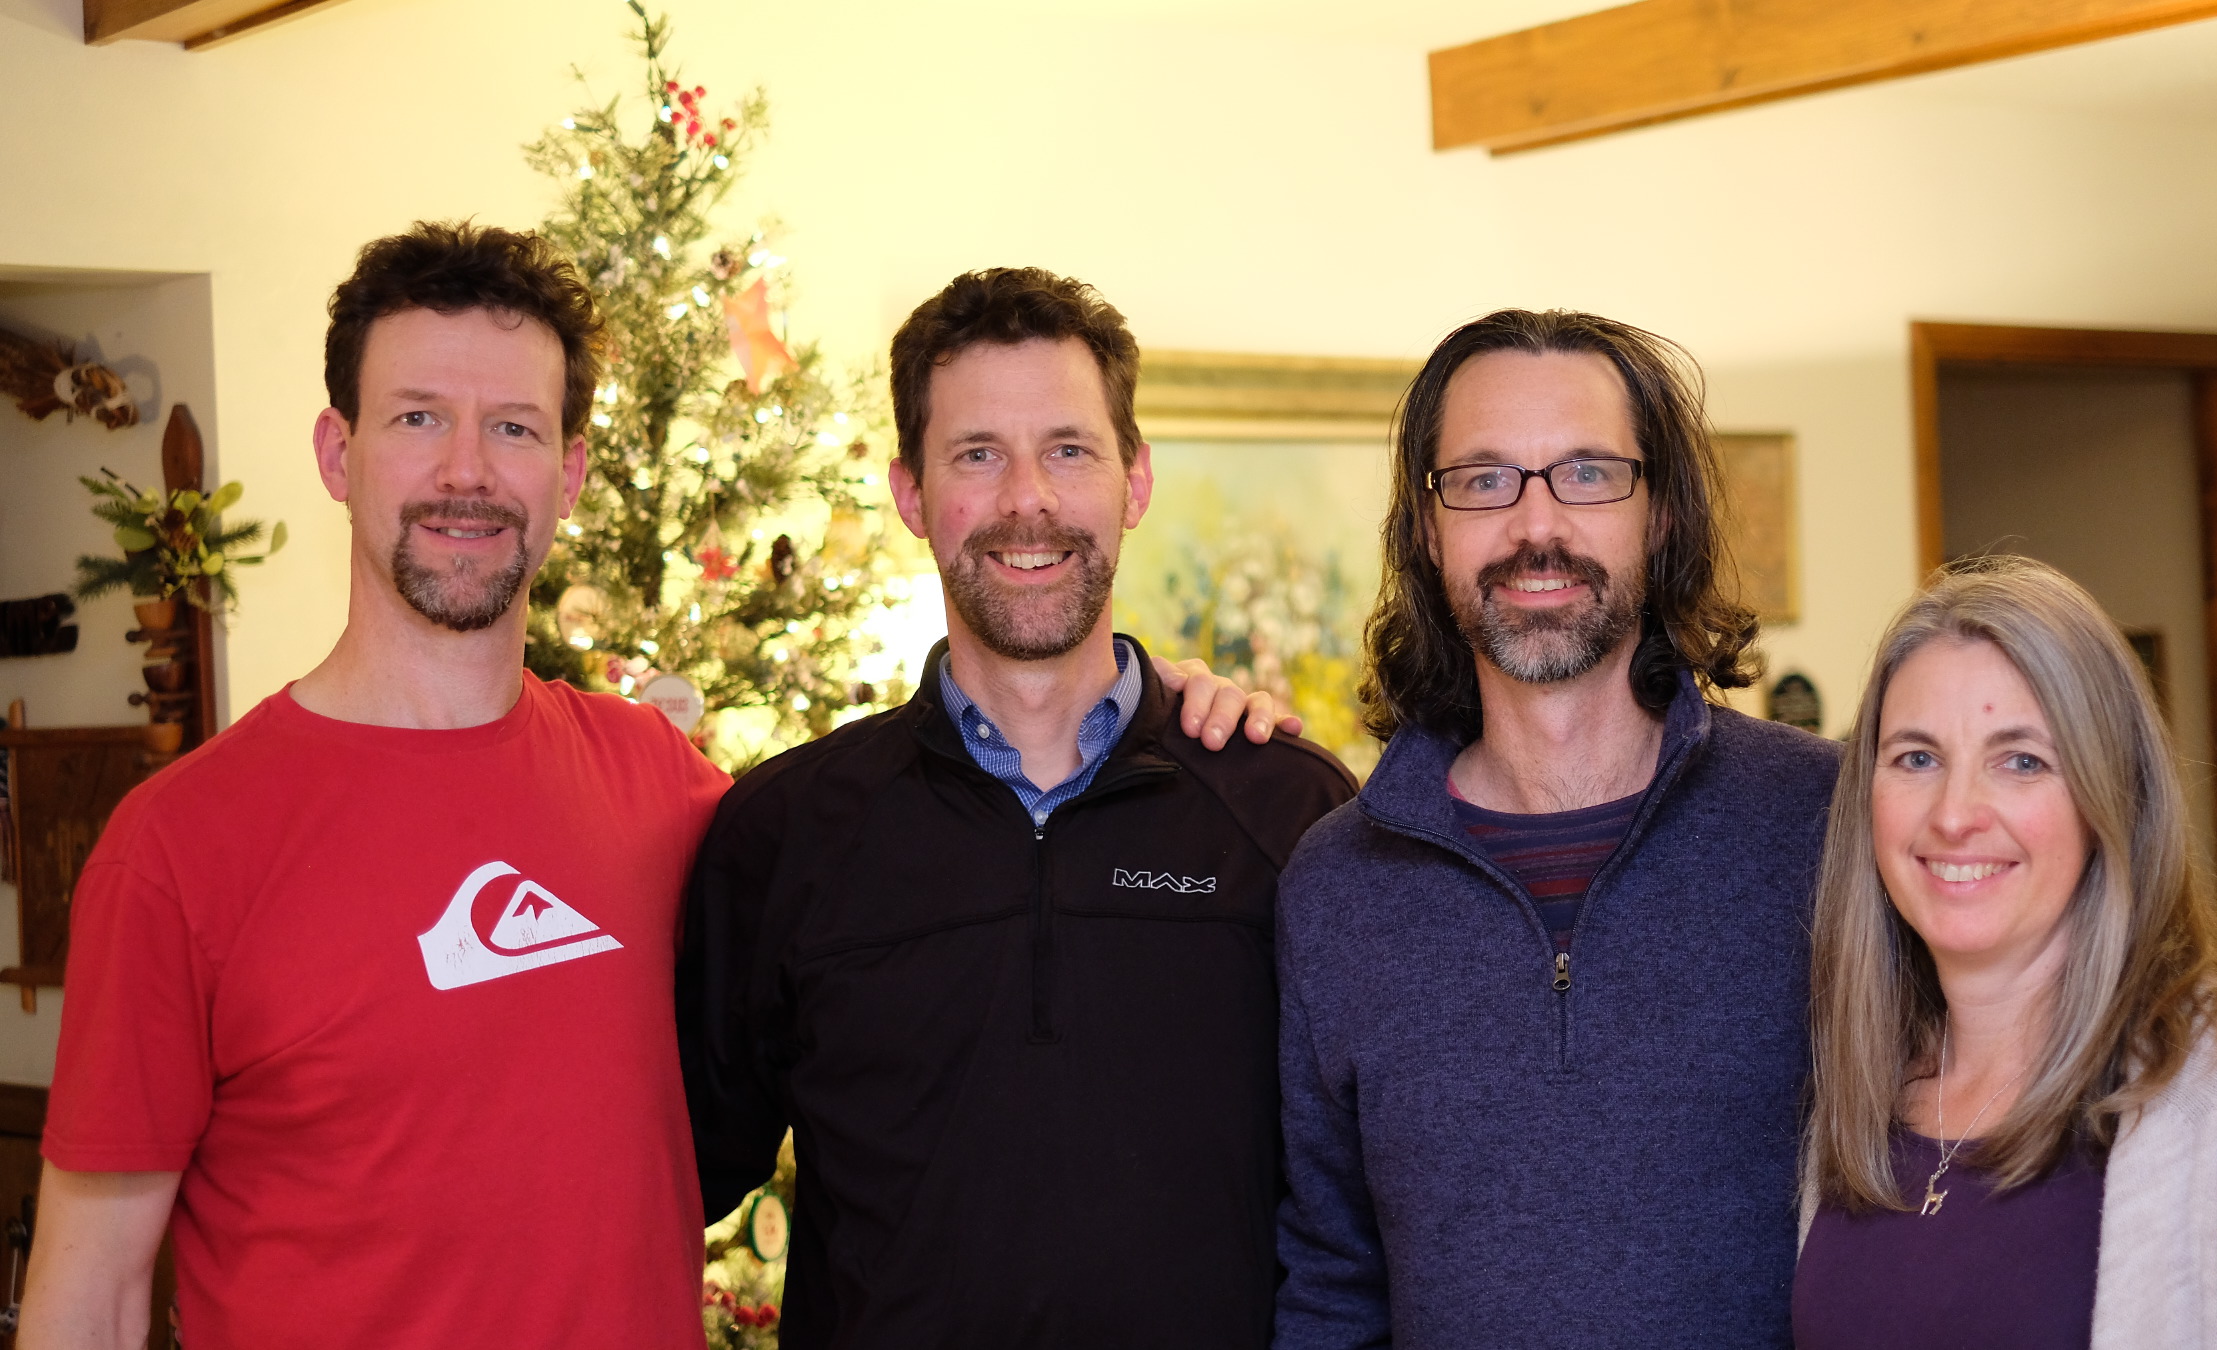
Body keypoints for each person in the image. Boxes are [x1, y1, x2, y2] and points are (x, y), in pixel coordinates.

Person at [17, 228, 1278, 1350]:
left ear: (568, 474)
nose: (468, 471)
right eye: (417, 419)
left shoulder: (668, 794)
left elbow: (931, 841)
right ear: (337, 453)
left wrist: (1162, 712)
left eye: (515, 427)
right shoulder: (181, 847)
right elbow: (90, 1301)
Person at [677, 266, 1357, 1348]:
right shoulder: (784, 831)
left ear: (1135, 482)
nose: (1027, 499)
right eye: (977, 454)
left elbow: (1365, 1210)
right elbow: (670, 1184)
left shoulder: (1288, 810)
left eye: (1069, 450)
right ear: (911, 495)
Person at [1273, 309, 1840, 1348]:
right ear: (1428, 528)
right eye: (1485, 479)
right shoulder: (1337, 883)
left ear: (1660, 514)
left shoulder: (1822, 821)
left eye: (1587, 473)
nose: (1537, 525)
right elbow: (1332, 1280)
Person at [1794, 556, 2217, 1349]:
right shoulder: (1858, 1095)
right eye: (1917, 757)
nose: (1955, 814)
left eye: (2022, 760)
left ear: (2112, 796)